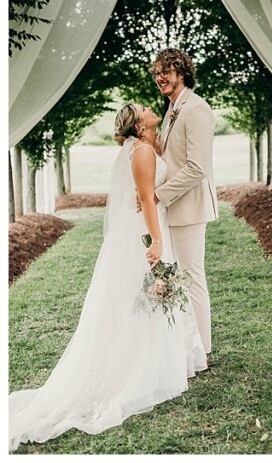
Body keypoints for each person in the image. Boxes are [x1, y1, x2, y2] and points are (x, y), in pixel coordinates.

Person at [9, 104, 207, 451]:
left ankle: (160, 360)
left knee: (152, 298)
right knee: (146, 296)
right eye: (145, 109)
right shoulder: (142, 151)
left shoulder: (148, 145)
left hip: (149, 225)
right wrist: (157, 241)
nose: (150, 107)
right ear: (138, 123)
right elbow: (146, 197)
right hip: (145, 232)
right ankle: (140, 368)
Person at [150, 48, 218, 364]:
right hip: (175, 207)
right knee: (180, 277)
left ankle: (202, 351)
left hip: (188, 206)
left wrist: (159, 195)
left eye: (166, 71)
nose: (160, 77)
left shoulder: (196, 110)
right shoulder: (173, 109)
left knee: (192, 278)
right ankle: (186, 345)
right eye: (156, 73)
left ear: (182, 72)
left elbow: (197, 167)